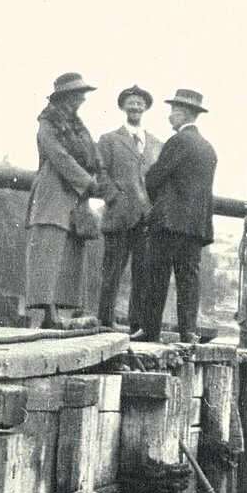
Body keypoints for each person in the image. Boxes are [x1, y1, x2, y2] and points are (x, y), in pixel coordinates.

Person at [24, 72, 107, 329]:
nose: (82, 99)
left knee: (68, 253)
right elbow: (59, 158)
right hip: (53, 192)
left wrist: (101, 175)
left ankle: (56, 313)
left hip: (74, 197)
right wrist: (89, 183)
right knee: (48, 250)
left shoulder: (79, 128)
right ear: (66, 97)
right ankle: (46, 314)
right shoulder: (48, 124)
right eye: (78, 94)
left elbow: (94, 156)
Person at [141, 87, 217, 343]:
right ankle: (188, 331)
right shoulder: (209, 149)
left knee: (157, 276)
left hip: (169, 223)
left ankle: (149, 330)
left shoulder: (177, 142)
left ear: (184, 114)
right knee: (188, 279)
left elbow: (153, 178)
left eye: (173, 111)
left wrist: (155, 201)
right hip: (195, 227)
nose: (169, 116)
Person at [96, 85, 162, 330]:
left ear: (145, 108)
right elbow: (99, 173)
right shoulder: (110, 140)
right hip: (118, 216)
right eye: (131, 102)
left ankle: (137, 324)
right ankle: (105, 321)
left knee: (142, 274)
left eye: (139, 103)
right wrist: (114, 197)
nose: (135, 107)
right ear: (123, 107)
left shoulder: (157, 144)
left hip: (146, 219)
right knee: (112, 271)